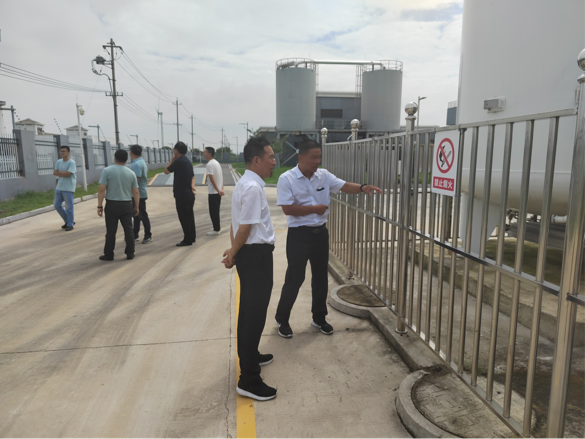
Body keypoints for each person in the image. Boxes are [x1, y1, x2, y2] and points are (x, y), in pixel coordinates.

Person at [275, 139, 382, 337]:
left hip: (320, 235)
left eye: (319, 157)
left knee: (320, 278)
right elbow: (287, 209)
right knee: (295, 278)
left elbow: (343, 186)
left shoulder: (323, 175)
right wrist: (315, 208)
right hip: (299, 235)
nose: (317, 161)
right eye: (313, 157)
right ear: (301, 157)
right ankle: (282, 318)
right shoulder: (286, 178)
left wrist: (362, 187)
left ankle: (319, 318)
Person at [222, 136, 277, 401]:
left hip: (249, 254)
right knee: (253, 315)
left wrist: (234, 250)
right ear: (256, 160)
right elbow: (244, 228)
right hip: (255, 256)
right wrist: (233, 252)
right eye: (271, 157)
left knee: (249, 311)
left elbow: (236, 224)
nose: (274, 162)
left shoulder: (244, 183)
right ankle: (249, 379)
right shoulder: (253, 188)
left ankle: (250, 354)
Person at [97, 149, 140, 261]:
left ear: (115, 158)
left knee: (111, 231)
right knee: (128, 229)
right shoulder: (131, 173)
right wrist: (136, 207)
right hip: (126, 204)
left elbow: (102, 190)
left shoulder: (107, 171)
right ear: (126, 159)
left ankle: (109, 254)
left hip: (112, 205)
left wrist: (100, 206)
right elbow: (136, 192)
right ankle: (130, 253)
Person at [165, 141, 196, 246]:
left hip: (182, 194)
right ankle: (192, 237)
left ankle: (187, 239)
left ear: (176, 150)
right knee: (190, 216)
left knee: (184, 217)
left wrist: (171, 161)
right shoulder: (187, 161)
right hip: (189, 194)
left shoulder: (178, 162)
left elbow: (166, 171)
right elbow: (192, 176)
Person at [129, 144, 152, 244]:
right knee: (136, 215)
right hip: (140, 192)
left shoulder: (136, 164)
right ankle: (135, 234)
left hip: (138, 194)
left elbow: (135, 180)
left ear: (131, 152)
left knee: (142, 215)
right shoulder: (141, 162)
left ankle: (148, 235)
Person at [53, 145, 76, 231]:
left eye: (64, 151)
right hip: (59, 187)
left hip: (68, 187)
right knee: (57, 205)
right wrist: (63, 173)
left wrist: (60, 173)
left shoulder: (71, 162)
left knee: (69, 207)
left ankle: (70, 224)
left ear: (68, 152)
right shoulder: (59, 161)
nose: (62, 153)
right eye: (61, 151)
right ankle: (68, 221)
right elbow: (54, 172)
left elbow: (68, 174)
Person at [203, 146, 224, 236]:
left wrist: (218, 189)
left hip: (213, 192)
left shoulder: (209, 164)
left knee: (213, 211)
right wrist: (221, 189)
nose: (203, 154)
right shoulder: (217, 163)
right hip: (218, 192)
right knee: (216, 210)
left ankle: (216, 229)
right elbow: (222, 177)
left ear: (210, 154)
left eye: (205, 152)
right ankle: (216, 227)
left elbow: (212, 179)